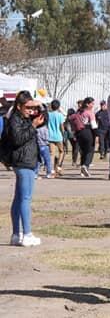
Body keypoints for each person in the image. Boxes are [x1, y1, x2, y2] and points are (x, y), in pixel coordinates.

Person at [1, 91, 43, 247]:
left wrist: (40, 106)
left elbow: (44, 120)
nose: (30, 110)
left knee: (19, 198)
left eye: (31, 106)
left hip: (27, 161)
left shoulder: (25, 118)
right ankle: (27, 234)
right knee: (26, 198)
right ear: (19, 106)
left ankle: (16, 234)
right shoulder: (14, 120)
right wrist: (32, 126)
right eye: (27, 107)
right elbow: (18, 139)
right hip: (23, 162)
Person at [73, 97, 98, 178]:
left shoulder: (78, 112)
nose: (93, 105)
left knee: (83, 151)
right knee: (90, 150)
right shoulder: (90, 112)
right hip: (88, 131)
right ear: (87, 104)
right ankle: (85, 165)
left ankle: (82, 170)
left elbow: (72, 119)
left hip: (79, 133)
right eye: (92, 103)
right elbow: (94, 125)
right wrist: (96, 135)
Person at [46, 99, 66, 177]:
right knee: (61, 151)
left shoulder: (48, 115)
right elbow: (61, 126)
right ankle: (58, 166)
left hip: (50, 136)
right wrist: (63, 133)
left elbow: (47, 125)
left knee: (52, 154)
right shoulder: (60, 115)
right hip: (58, 136)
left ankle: (51, 170)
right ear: (58, 107)